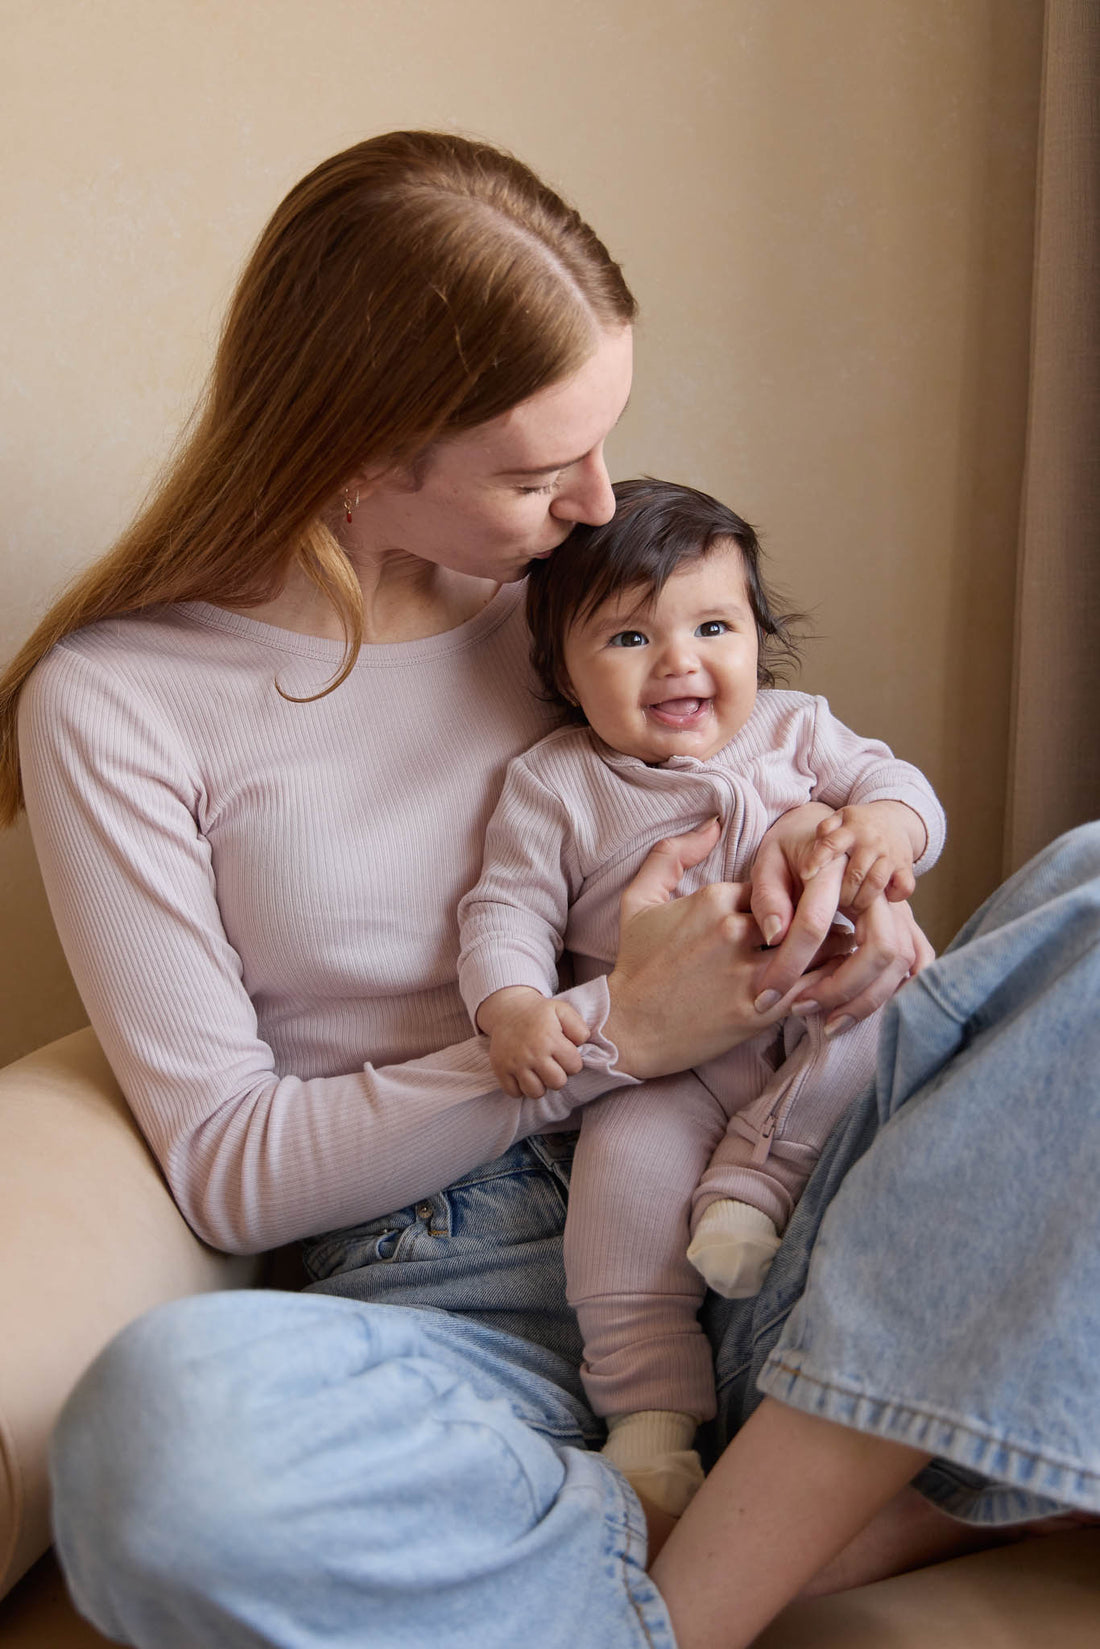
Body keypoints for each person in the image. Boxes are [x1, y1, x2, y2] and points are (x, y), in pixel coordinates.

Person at [0, 130, 1095, 1649]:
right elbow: (229, 1168)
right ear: (363, 450)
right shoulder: (117, 701)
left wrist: (848, 898)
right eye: (536, 470)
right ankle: (829, 1507)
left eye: (604, 441)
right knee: (153, 1440)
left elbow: (796, 779)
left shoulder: (589, 602)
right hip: (463, 1294)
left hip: (796, 1201)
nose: (596, 502)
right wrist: (612, 1032)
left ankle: (694, 1592)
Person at [456, 476, 946, 1516]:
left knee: (887, 1015)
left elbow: (900, 787)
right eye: (629, 638)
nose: (679, 660)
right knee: (617, 1196)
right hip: (661, 1062)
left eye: (712, 625)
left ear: (754, 637)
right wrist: (513, 1007)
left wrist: (885, 832)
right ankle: (647, 1420)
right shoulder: (556, 784)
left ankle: (757, 1179)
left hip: (813, 1018)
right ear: (560, 669)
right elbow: (503, 911)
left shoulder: (793, 731)